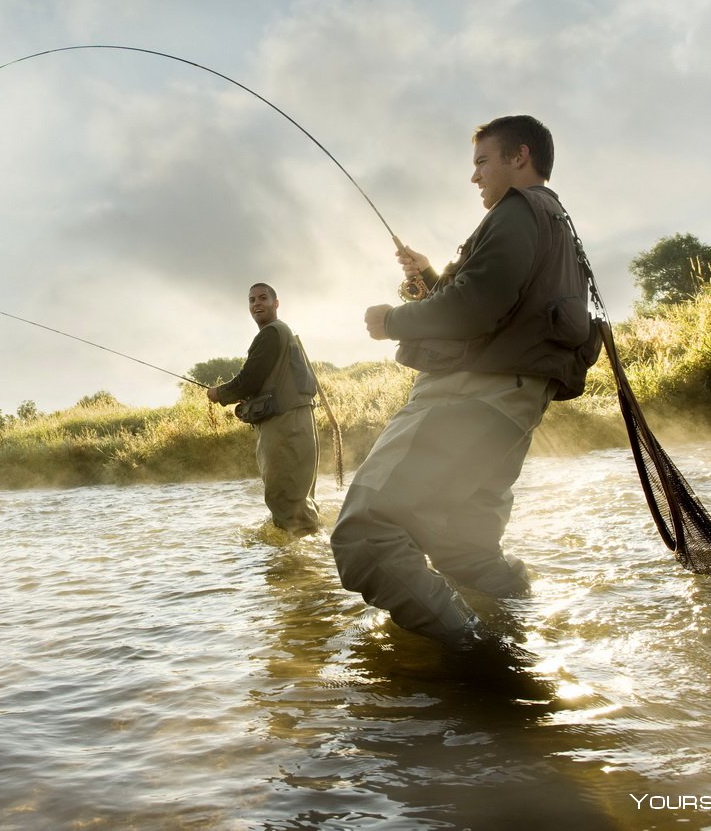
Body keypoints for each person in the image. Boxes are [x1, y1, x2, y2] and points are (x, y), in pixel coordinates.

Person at [330, 115, 597, 650]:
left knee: (365, 535)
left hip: (468, 401)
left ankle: (481, 668)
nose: (474, 177)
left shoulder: (518, 210)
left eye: (482, 162)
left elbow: (475, 306)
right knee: (465, 551)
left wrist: (393, 321)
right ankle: (528, 640)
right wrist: (430, 280)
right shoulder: (555, 221)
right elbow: (499, 303)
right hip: (509, 413)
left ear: (519, 157)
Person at [208, 283, 321, 536]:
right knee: (300, 501)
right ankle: (310, 565)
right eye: (252, 300)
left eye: (263, 298)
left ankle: (294, 567)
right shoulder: (284, 332)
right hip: (298, 423)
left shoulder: (271, 333)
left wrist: (219, 393)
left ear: (276, 303)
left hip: (285, 426)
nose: (257, 304)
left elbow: (249, 379)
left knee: (285, 500)